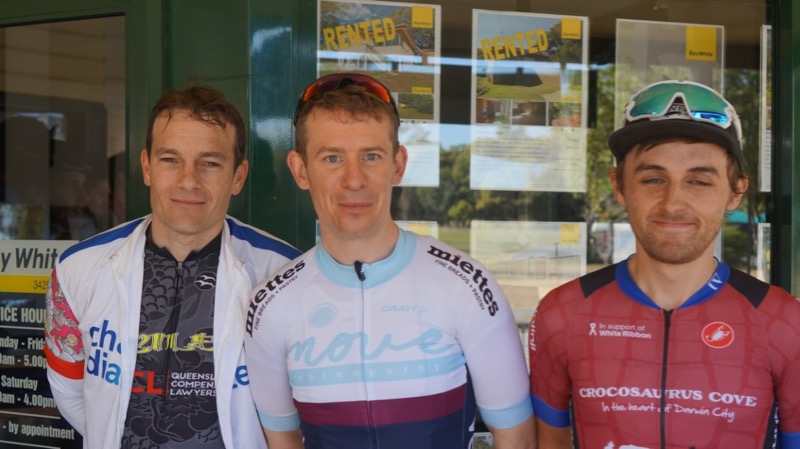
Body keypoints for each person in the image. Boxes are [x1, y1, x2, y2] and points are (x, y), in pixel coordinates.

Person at [244, 73, 536, 449]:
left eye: (371, 156)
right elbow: (282, 441)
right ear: (301, 170)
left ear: (398, 165)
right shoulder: (270, 303)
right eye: (332, 158)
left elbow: (517, 437)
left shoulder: (465, 285)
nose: (354, 180)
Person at [528, 80, 800, 448]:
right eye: (653, 179)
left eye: (699, 181)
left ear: (736, 191)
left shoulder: (784, 323)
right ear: (620, 185)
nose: (673, 203)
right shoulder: (562, 313)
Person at [44, 84, 301, 448]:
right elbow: (71, 393)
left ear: (238, 176)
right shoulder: (77, 268)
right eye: (170, 159)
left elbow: (302, 408)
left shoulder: (286, 274)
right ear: (147, 167)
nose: (188, 180)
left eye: (210, 163)